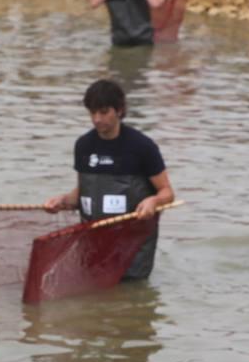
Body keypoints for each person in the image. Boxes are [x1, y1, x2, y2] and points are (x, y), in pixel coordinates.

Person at [43, 78, 175, 280]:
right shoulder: (83, 146)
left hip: (132, 249)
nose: (97, 119)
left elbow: (167, 193)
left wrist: (153, 201)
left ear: (119, 110)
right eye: (92, 112)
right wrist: (62, 201)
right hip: (94, 246)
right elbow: (82, 193)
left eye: (103, 112)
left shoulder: (142, 147)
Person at [87, 0, 166, 47]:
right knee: (141, 70)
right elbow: (155, 4)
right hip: (143, 37)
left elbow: (93, 3)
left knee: (118, 71)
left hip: (120, 38)